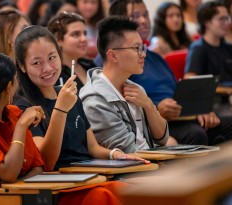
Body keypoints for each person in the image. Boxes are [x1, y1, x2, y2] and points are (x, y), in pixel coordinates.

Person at [0, 51, 127, 205]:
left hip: (32, 192)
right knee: (100, 197)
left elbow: (39, 166)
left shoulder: (12, 113)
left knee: (114, 191)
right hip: (3, 199)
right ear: (9, 87)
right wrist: (21, 127)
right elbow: (8, 172)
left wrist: (12, 180)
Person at [14, 25, 148, 171]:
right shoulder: (24, 107)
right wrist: (60, 109)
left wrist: (114, 155)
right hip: (62, 180)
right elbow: (46, 162)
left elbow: (92, 147)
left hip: (88, 172)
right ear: (22, 66)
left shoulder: (69, 95)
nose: (47, 68)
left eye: (52, 58)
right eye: (37, 63)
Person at [106, 0, 232, 146]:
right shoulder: (117, 59)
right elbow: (120, 102)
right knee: (195, 133)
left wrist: (199, 108)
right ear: (118, 22)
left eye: (146, 15)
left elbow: (179, 93)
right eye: (135, 15)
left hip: (180, 115)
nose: (144, 20)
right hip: (153, 121)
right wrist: (156, 107)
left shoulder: (156, 58)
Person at [80, 16, 169, 153]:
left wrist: (149, 105)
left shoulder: (136, 89)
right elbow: (128, 153)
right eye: (136, 48)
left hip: (150, 164)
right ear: (113, 56)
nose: (143, 54)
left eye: (142, 47)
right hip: (131, 171)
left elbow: (162, 139)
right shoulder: (95, 99)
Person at [184, 1, 232, 84]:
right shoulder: (198, 48)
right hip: (215, 95)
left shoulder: (227, 47)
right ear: (207, 23)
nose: (227, 23)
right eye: (221, 19)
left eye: (227, 18)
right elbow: (190, 80)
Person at [48, 11, 95, 90]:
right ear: (58, 39)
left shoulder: (90, 66)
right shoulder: (53, 76)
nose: (84, 39)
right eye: (76, 34)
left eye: (85, 33)